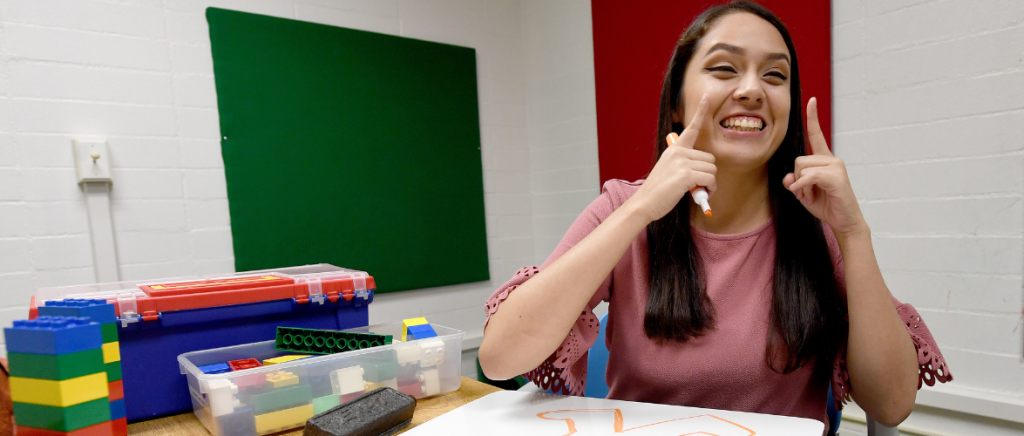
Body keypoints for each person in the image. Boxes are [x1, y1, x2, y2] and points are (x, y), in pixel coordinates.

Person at [478, 0, 952, 430]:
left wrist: (854, 232)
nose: (752, 89)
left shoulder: (818, 226)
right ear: (678, 104)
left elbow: (891, 406)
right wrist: (642, 209)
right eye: (725, 68)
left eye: (775, 75)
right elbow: (500, 358)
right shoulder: (624, 207)